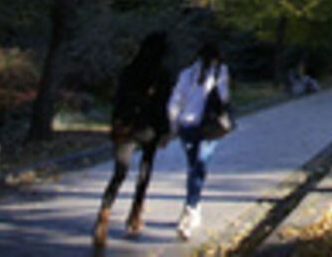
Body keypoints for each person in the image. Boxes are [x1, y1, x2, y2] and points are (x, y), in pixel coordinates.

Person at [93, 31, 172, 249]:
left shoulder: (128, 70)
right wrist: (165, 131)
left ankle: (104, 214)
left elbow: (118, 99)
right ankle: (135, 216)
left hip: (126, 126)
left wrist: (116, 123)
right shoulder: (162, 74)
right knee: (144, 172)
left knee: (119, 173)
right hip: (149, 128)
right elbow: (162, 106)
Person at [167, 42, 231, 240]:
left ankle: (194, 207)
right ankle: (191, 209)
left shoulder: (186, 73)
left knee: (193, 167)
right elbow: (224, 97)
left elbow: (175, 100)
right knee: (199, 167)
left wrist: (173, 124)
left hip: (187, 127)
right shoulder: (220, 72)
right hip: (209, 127)